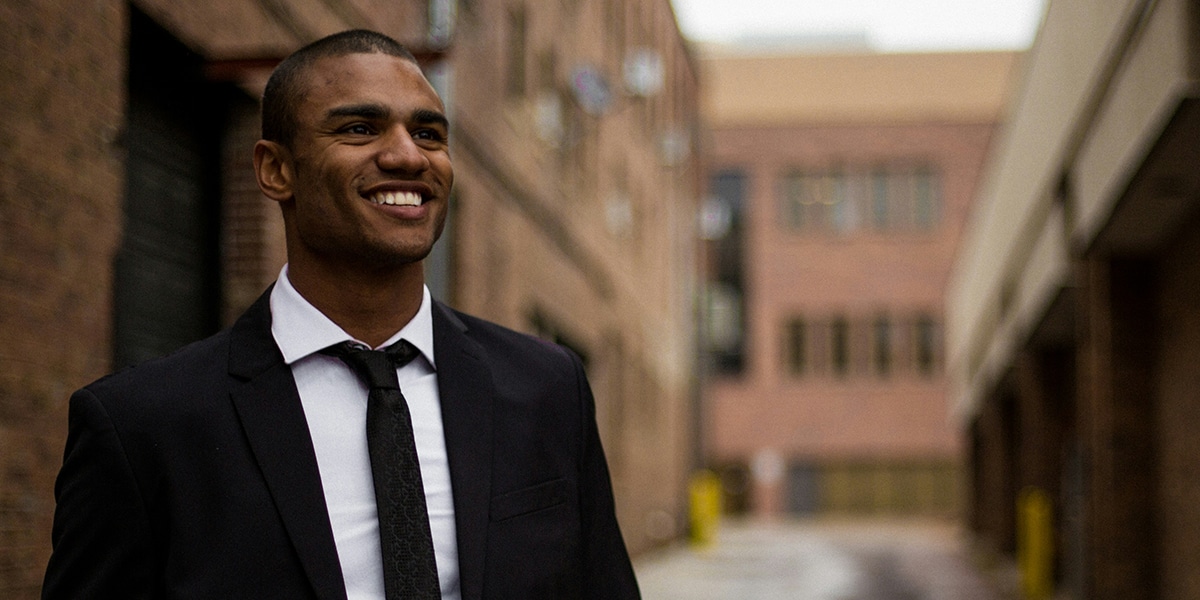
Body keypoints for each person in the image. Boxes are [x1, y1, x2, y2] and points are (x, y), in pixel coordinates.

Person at [42, 29, 640, 600]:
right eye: (360, 127)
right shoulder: (142, 425)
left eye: (430, 134)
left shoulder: (546, 388)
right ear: (276, 170)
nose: (409, 156)